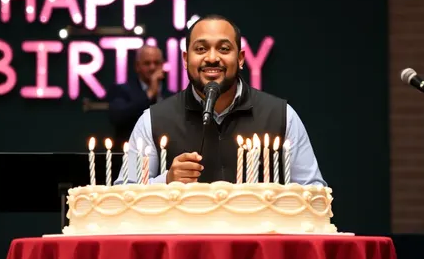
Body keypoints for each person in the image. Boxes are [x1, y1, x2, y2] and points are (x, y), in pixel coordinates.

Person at [115, 14, 326, 186]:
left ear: (241, 58)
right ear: (186, 59)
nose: (212, 57)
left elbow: (315, 192)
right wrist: (167, 180)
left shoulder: (281, 115)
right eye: (200, 49)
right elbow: (124, 192)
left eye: (224, 49)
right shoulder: (152, 120)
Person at [107, 45, 168, 146]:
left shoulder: (171, 94)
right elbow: (117, 117)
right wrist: (150, 93)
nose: (152, 67)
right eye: (147, 63)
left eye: (156, 63)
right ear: (137, 66)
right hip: (131, 153)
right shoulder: (121, 90)